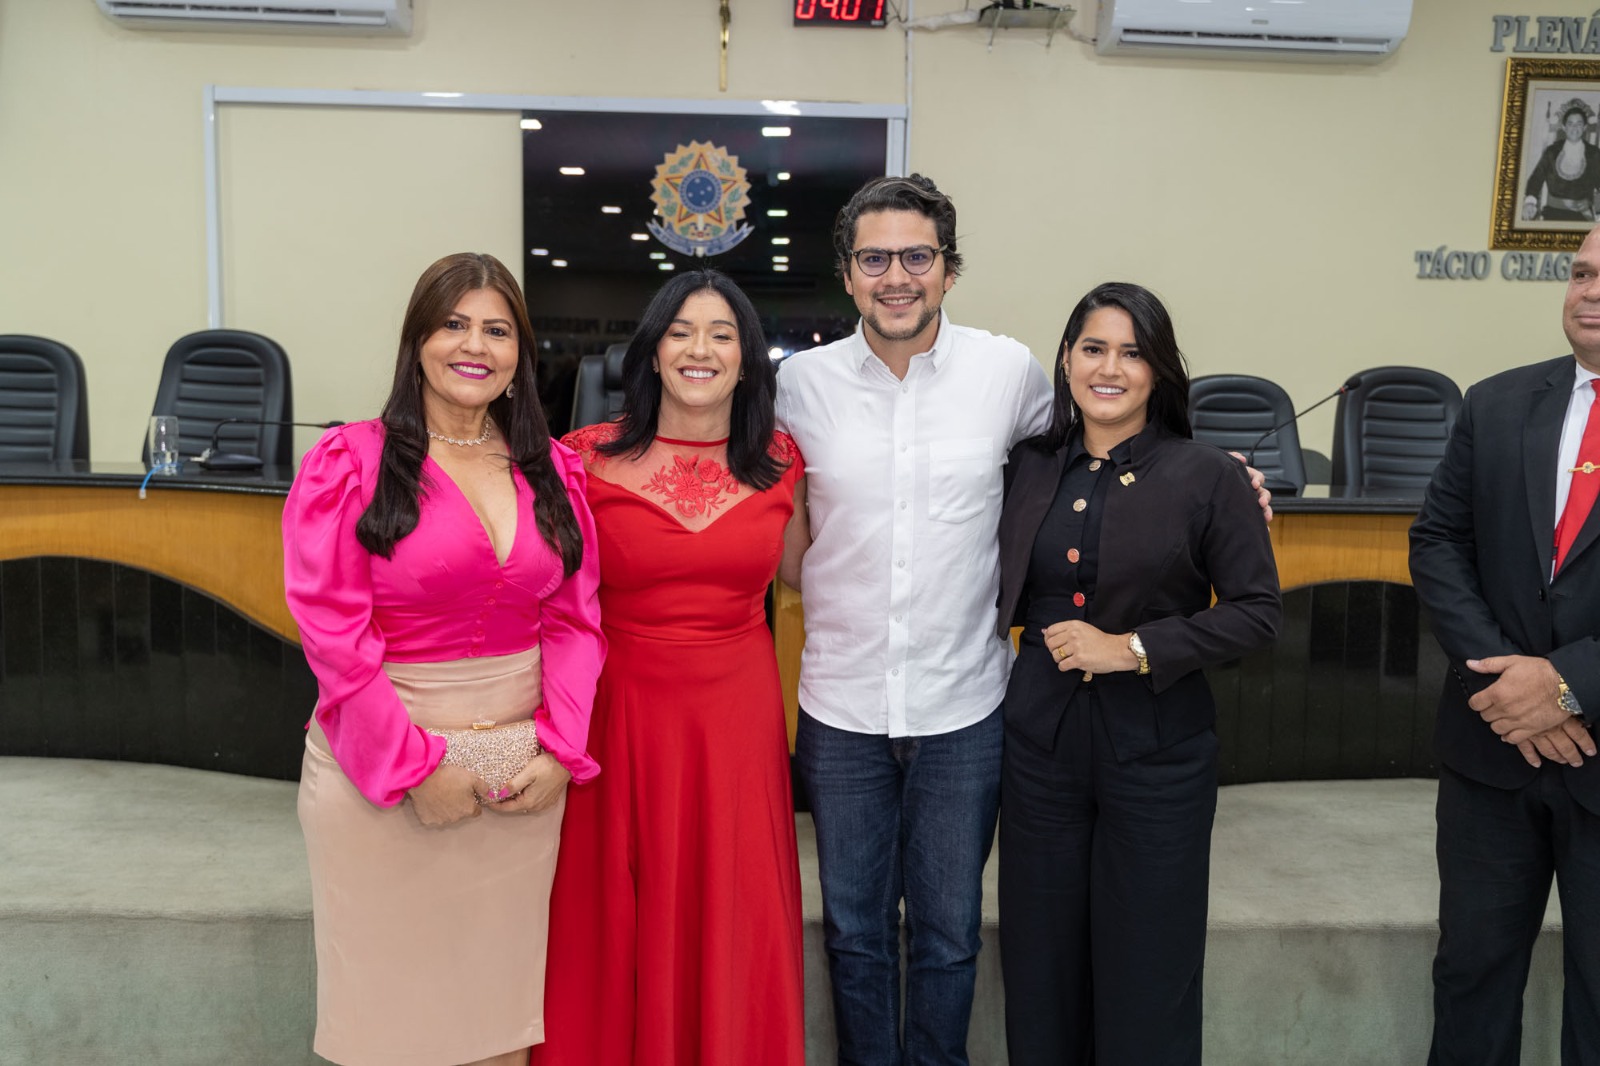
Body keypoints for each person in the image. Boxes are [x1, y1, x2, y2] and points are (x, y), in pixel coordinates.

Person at [283, 251, 605, 1066]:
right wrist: (413, 770)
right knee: (388, 1033)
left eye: (497, 330)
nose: (475, 345)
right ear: (418, 340)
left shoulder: (554, 470)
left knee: (498, 1027)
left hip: (519, 779)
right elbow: (334, 635)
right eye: (454, 324)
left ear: (519, 354)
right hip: (380, 778)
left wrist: (563, 750)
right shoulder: (349, 462)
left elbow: (575, 623)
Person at [994, 282, 1281, 1065]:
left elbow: (1259, 613)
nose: (1110, 368)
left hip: (1158, 754)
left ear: (1159, 370)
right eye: (1093, 348)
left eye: (1132, 352)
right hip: (1039, 751)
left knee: (1148, 974)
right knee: (1040, 969)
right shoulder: (1025, 466)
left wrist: (1131, 648)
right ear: (1066, 359)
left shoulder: (1207, 474)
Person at [532, 269, 809, 1066]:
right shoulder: (582, 459)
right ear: (651, 353)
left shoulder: (783, 461)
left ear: (748, 358)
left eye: (722, 334)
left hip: (736, 719)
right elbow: (542, 593)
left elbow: (807, 574)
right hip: (619, 711)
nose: (700, 349)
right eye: (681, 332)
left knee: (732, 906)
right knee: (610, 910)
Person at [1410, 223, 1600, 1065]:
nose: (1591, 292)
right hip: (1490, 755)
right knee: (1472, 979)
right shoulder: (1494, 402)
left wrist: (1566, 684)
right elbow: (1438, 543)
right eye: (1582, 273)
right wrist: (1506, 686)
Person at [1523, 104, 1600, 222]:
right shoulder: (1551, 152)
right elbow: (1536, 179)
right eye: (1570, 123)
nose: (1574, 128)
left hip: (1582, 215)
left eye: (1579, 124)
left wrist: (1595, 204)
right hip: (1553, 213)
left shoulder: (1594, 153)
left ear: (1585, 127)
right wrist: (1530, 202)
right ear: (1564, 127)